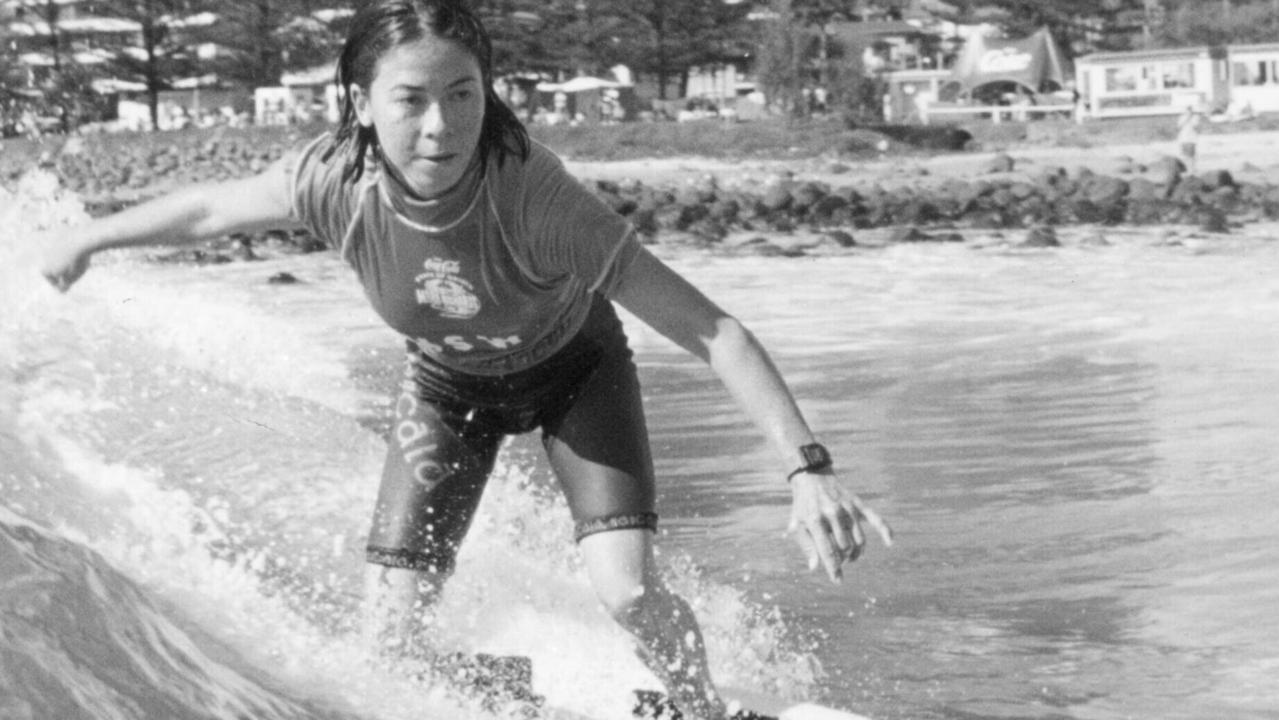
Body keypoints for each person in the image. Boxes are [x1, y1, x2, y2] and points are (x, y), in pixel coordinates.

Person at [37, 2, 892, 718]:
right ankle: (534, 694)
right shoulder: (333, 179)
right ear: (362, 103)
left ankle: (700, 709)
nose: (441, 125)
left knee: (626, 592)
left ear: (489, 94)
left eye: (463, 93)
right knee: (389, 649)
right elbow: (209, 212)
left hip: (574, 376)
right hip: (447, 390)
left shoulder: (539, 199)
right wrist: (89, 236)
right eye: (411, 99)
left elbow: (714, 332)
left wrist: (805, 467)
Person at [1177, 104, 1204, 174]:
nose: (1188, 113)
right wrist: (1186, 119)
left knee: (1191, 155)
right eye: (1187, 111)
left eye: (1190, 111)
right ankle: (1187, 169)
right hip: (1183, 138)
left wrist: (1190, 119)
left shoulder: (1195, 117)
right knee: (1184, 155)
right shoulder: (1182, 117)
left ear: (1192, 111)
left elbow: (1196, 127)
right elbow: (1179, 126)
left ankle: (1193, 169)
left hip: (1192, 139)